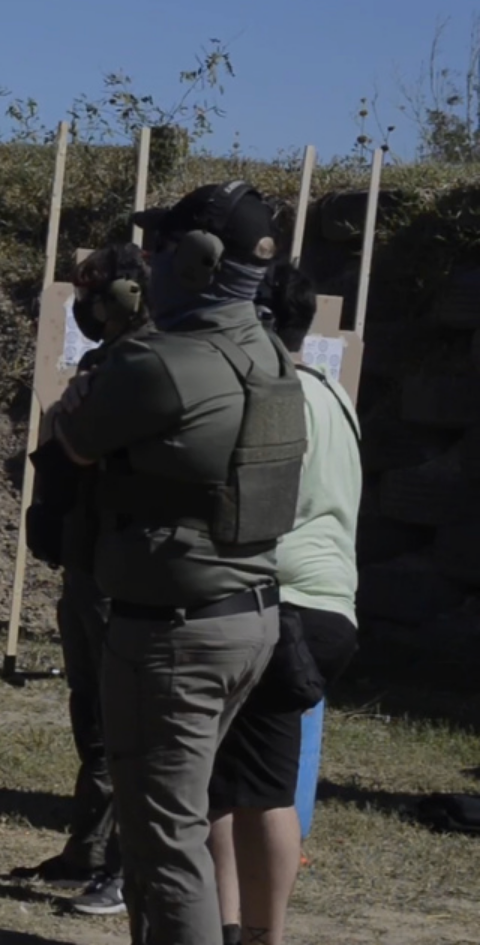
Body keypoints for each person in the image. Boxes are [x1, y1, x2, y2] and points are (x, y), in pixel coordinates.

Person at [50, 180, 309, 945]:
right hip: (248, 617)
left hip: (173, 636)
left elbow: (75, 436)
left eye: (161, 248)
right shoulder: (268, 353)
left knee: (165, 845)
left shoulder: (159, 363)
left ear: (197, 259)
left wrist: (79, 396)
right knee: (176, 825)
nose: (149, 263)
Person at [206, 263, 362, 945]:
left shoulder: (271, 395)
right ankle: (241, 932)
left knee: (243, 790)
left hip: (276, 604)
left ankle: (243, 932)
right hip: (328, 607)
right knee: (245, 785)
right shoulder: (334, 393)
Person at [14, 243, 154, 918]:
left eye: (93, 297)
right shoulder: (109, 362)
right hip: (87, 560)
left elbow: (90, 446)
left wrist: (70, 416)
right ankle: (90, 846)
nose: (85, 309)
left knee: (124, 722)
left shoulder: (146, 365)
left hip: (118, 564)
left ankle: (124, 866)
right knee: (91, 712)